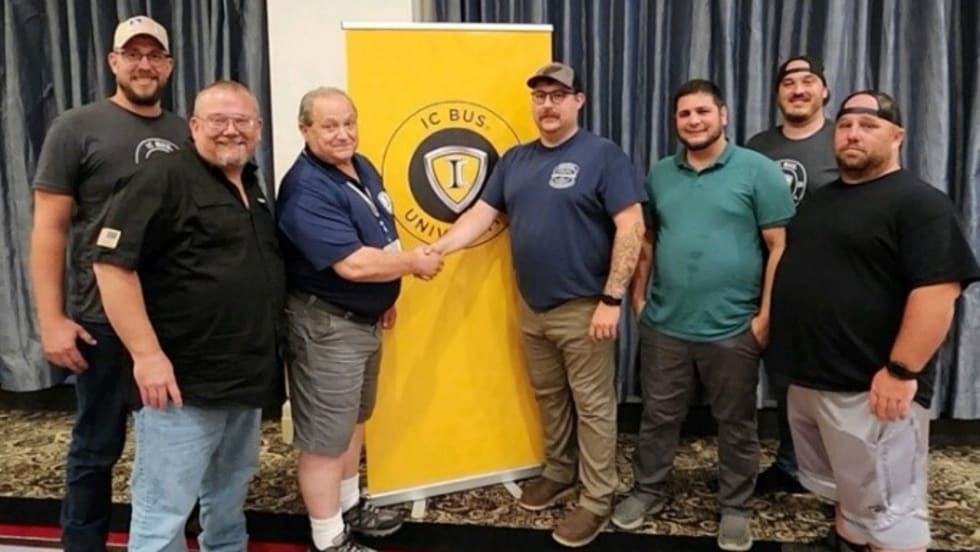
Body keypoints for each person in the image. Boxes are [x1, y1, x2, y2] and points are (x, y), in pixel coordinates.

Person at [430, 62, 646, 548]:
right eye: (539, 96)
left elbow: (631, 227)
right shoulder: (514, 160)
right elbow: (480, 215)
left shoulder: (603, 156)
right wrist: (439, 248)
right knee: (548, 396)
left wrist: (612, 298)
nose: (547, 105)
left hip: (585, 306)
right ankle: (559, 469)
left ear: (578, 101)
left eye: (557, 95)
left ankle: (596, 498)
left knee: (593, 406)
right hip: (532, 306)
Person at [769, 91, 980, 552]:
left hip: (873, 385)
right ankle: (847, 539)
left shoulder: (920, 204)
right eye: (845, 125)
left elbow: (938, 292)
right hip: (812, 379)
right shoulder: (822, 201)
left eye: (868, 125)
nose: (853, 133)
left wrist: (902, 371)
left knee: (891, 508)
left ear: (897, 136)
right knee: (848, 488)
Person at [91, 80, 284, 550]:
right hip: (180, 388)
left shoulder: (252, 184)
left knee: (227, 503)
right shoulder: (163, 177)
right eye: (218, 120)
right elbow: (111, 267)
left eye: (242, 120)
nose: (231, 131)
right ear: (194, 125)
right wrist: (147, 355)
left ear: (258, 128)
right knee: (163, 514)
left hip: (241, 385)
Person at [612, 79, 795, 552]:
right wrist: (639, 301)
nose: (693, 121)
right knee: (657, 417)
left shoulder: (759, 171)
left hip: (734, 328)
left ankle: (735, 507)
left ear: (723, 115)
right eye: (684, 114)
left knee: (736, 423)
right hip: (666, 325)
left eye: (702, 112)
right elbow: (647, 240)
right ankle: (647, 490)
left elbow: (780, 248)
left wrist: (765, 317)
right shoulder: (659, 174)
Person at [29, 15, 186, 551]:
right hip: (100, 320)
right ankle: (83, 544)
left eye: (154, 55)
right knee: (96, 447)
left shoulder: (188, 132)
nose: (144, 64)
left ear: (167, 64)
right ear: (113, 62)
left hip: (173, 321)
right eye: (132, 54)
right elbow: (48, 229)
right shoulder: (76, 128)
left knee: (176, 449)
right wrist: (52, 320)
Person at [276, 87, 441, 552]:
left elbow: (379, 235)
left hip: (362, 319)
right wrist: (411, 265)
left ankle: (350, 506)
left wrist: (383, 294)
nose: (343, 133)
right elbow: (351, 265)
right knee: (325, 439)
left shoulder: (360, 166)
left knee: (352, 422)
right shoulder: (306, 188)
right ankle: (328, 538)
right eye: (329, 126)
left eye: (349, 122)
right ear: (305, 129)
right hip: (327, 327)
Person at [744, 55, 839, 495]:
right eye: (788, 83)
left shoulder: (845, 138)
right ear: (778, 93)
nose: (798, 89)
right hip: (770, 285)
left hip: (833, 286)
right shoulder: (758, 146)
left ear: (824, 91)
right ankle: (790, 463)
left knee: (832, 387)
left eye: (807, 81)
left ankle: (838, 474)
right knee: (783, 383)